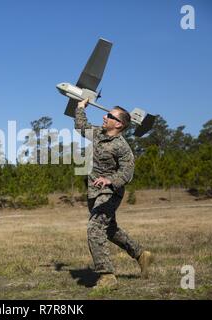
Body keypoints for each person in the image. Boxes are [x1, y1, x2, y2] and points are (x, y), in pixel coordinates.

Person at [75, 98, 153, 290]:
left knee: (94, 228)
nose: (104, 116)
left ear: (119, 124)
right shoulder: (98, 134)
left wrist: (111, 180)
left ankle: (107, 276)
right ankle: (141, 254)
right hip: (94, 191)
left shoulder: (121, 146)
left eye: (109, 115)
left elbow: (128, 171)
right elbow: (81, 127)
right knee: (109, 230)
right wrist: (80, 107)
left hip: (110, 192)